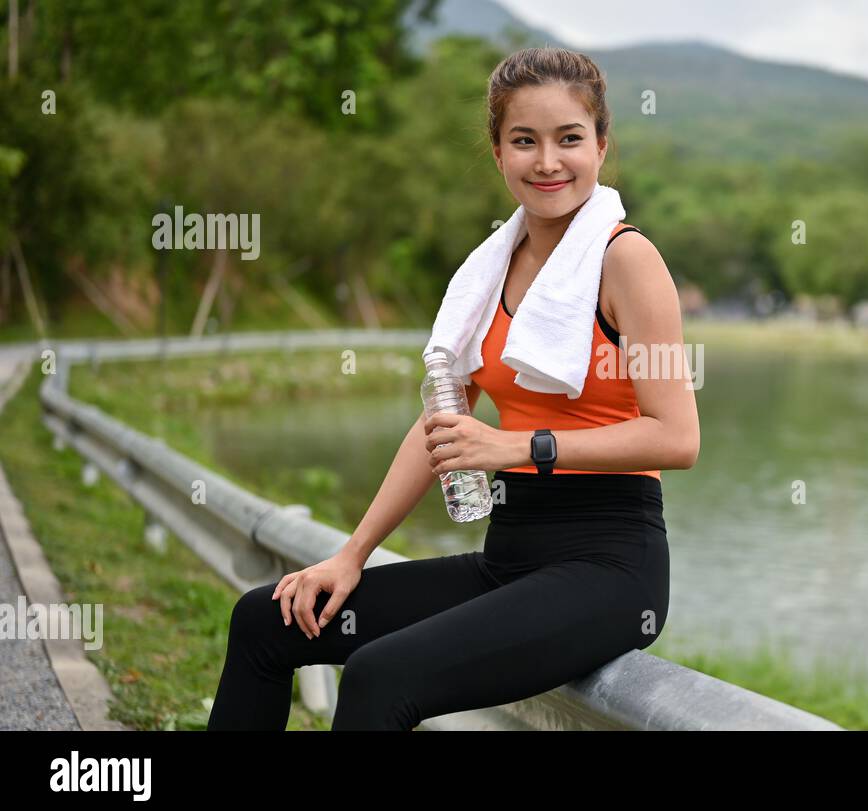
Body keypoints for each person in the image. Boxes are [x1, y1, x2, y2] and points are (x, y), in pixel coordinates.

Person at [206, 46, 700, 731]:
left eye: (569, 139)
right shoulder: (491, 268)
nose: (548, 161)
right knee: (265, 620)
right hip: (511, 555)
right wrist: (350, 556)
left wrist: (514, 444)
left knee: (382, 674)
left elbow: (677, 437)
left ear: (602, 146)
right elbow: (440, 422)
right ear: (498, 153)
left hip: (609, 566)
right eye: (524, 140)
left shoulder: (627, 260)